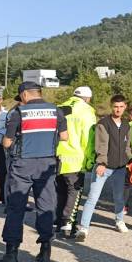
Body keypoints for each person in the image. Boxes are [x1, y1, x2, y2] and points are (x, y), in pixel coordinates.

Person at [0, 82, 68, 262]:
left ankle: (11, 253)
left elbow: (6, 143)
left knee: (16, 207)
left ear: (23, 95)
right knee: (45, 206)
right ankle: (45, 250)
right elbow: (64, 137)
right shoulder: (56, 111)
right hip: (47, 164)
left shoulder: (18, 113)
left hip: (22, 165)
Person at [75, 94, 132, 241]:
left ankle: (119, 220)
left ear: (125, 107)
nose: (118, 109)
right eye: (115, 106)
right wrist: (101, 163)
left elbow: (127, 145)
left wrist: (130, 160)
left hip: (120, 168)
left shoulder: (126, 125)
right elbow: (102, 144)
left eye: (121, 106)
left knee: (119, 198)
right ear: (111, 107)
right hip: (104, 167)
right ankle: (83, 229)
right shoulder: (103, 123)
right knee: (93, 198)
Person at [55, 86, 97, 238]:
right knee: (74, 191)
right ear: (88, 98)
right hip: (75, 158)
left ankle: (59, 221)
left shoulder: (59, 107)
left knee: (60, 191)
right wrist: (90, 159)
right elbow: (89, 137)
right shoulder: (87, 111)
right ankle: (68, 223)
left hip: (57, 156)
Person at [0, 90, 8, 204]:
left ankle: (4, 198)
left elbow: (9, 130)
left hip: (0, 147)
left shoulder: (6, 114)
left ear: (0, 100)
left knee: (2, 173)